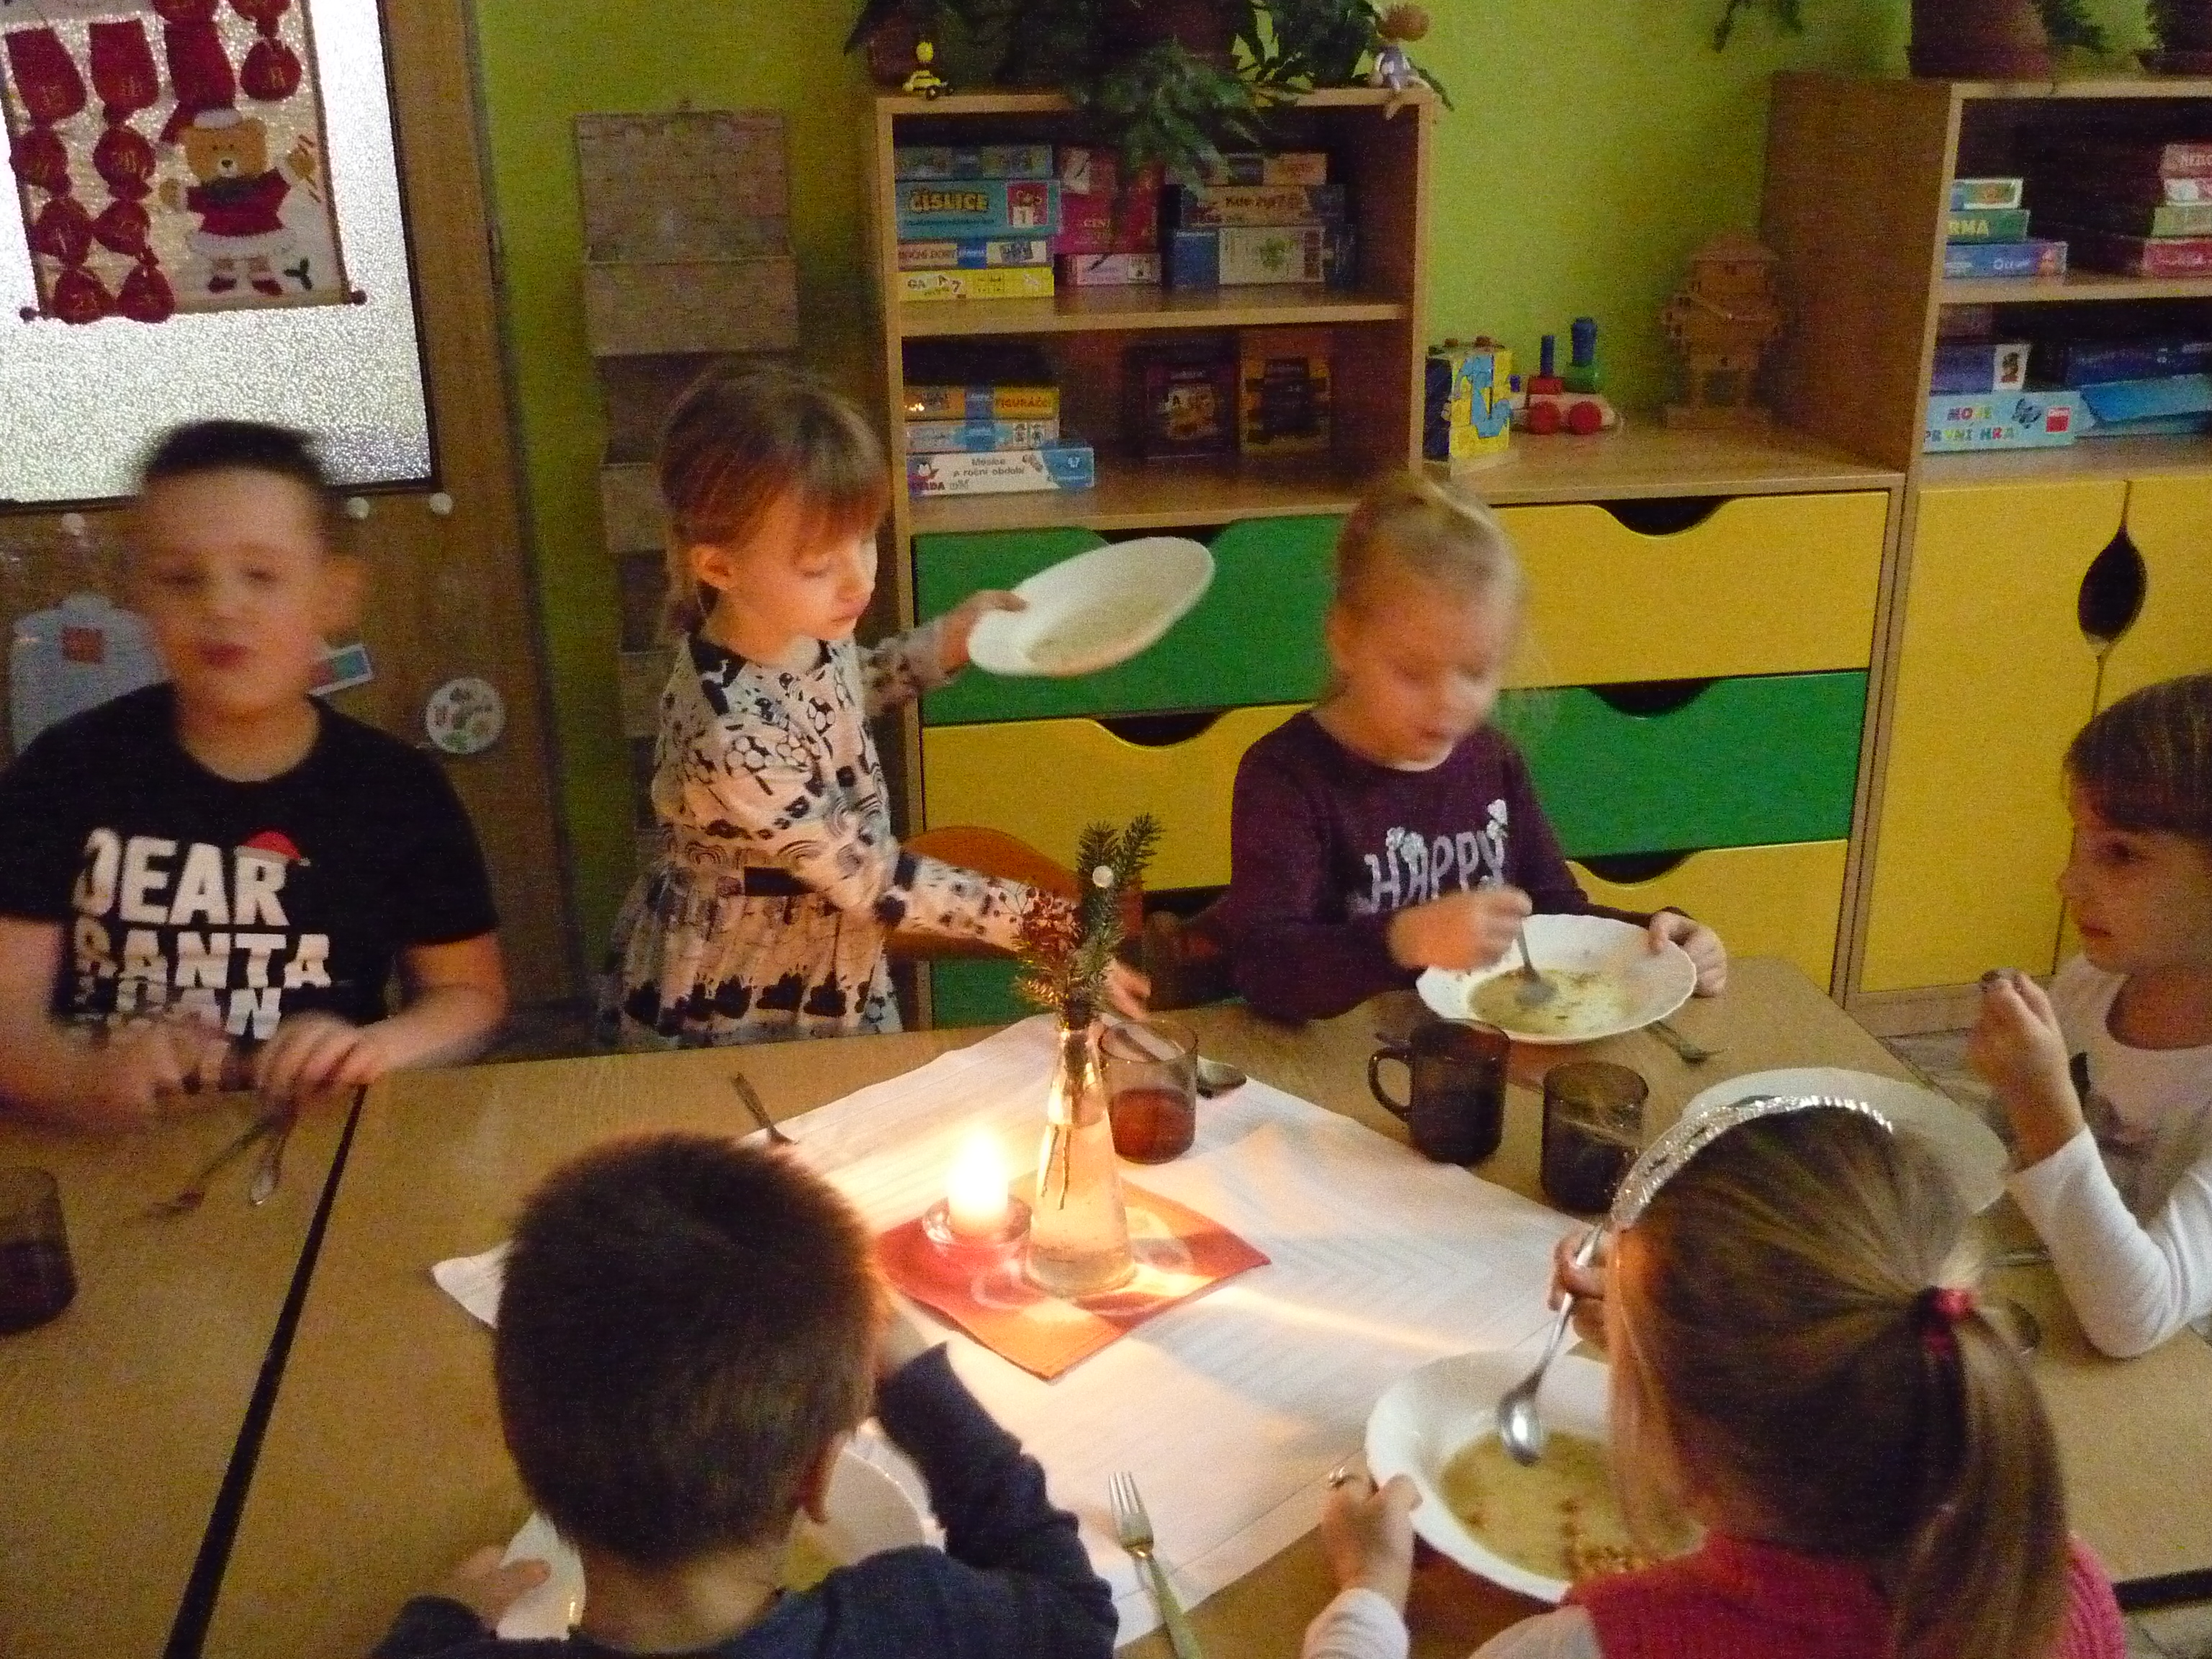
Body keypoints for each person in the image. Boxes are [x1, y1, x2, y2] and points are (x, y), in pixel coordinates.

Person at [1308, 1104, 2128, 1659]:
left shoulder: (1601, 1644)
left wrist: (1368, 1597)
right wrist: (1671, 1342)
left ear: (1684, 1449)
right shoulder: (2061, 1589)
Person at [372, 1133, 1117, 1659]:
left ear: (517, 1436)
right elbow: (1076, 1615)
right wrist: (918, 1387)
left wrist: (439, 1620)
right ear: (818, 1475)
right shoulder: (917, 1621)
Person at [599, 361, 1127, 1046]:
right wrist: (1046, 922)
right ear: (721, 568)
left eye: (865, 540)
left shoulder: (795, 629)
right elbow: (874, 878)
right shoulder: (729, 739)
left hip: (832, 946)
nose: (859, 581)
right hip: (745, 985)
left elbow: (844, 692)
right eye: (819, 565)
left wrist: (948, 643)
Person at [0, 421, 505, 1129]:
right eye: (182, 579)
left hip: (319, 1136)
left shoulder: (395, 790)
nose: (221, 606)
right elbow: (9, 1022)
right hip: (99, 1144)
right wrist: (85, 1078)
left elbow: (470, 998)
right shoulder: (64, 771)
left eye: (261, 575)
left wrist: (374, 1049)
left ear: (333, 595)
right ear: (139, 598)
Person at [1213, 474, 1725, 1023]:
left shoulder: (1492, 760)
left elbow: (1554, 914)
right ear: (1345, 639)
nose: (1448, 703)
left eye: (1476, 672)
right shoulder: (1287, 776)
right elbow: (1266, 969)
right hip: (1342, 1057)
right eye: (1413, 672)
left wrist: (1659, 940)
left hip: (1480, 1046)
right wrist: (1402, 939)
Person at [1970, 672, 2212, 1357]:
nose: (2068, 883)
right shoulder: (2093, 984)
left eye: (2122, 854)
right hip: (2063, 1318)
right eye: (2080, 843)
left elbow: (2134, 1324)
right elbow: (2006, 1164)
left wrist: (2041, 1103)